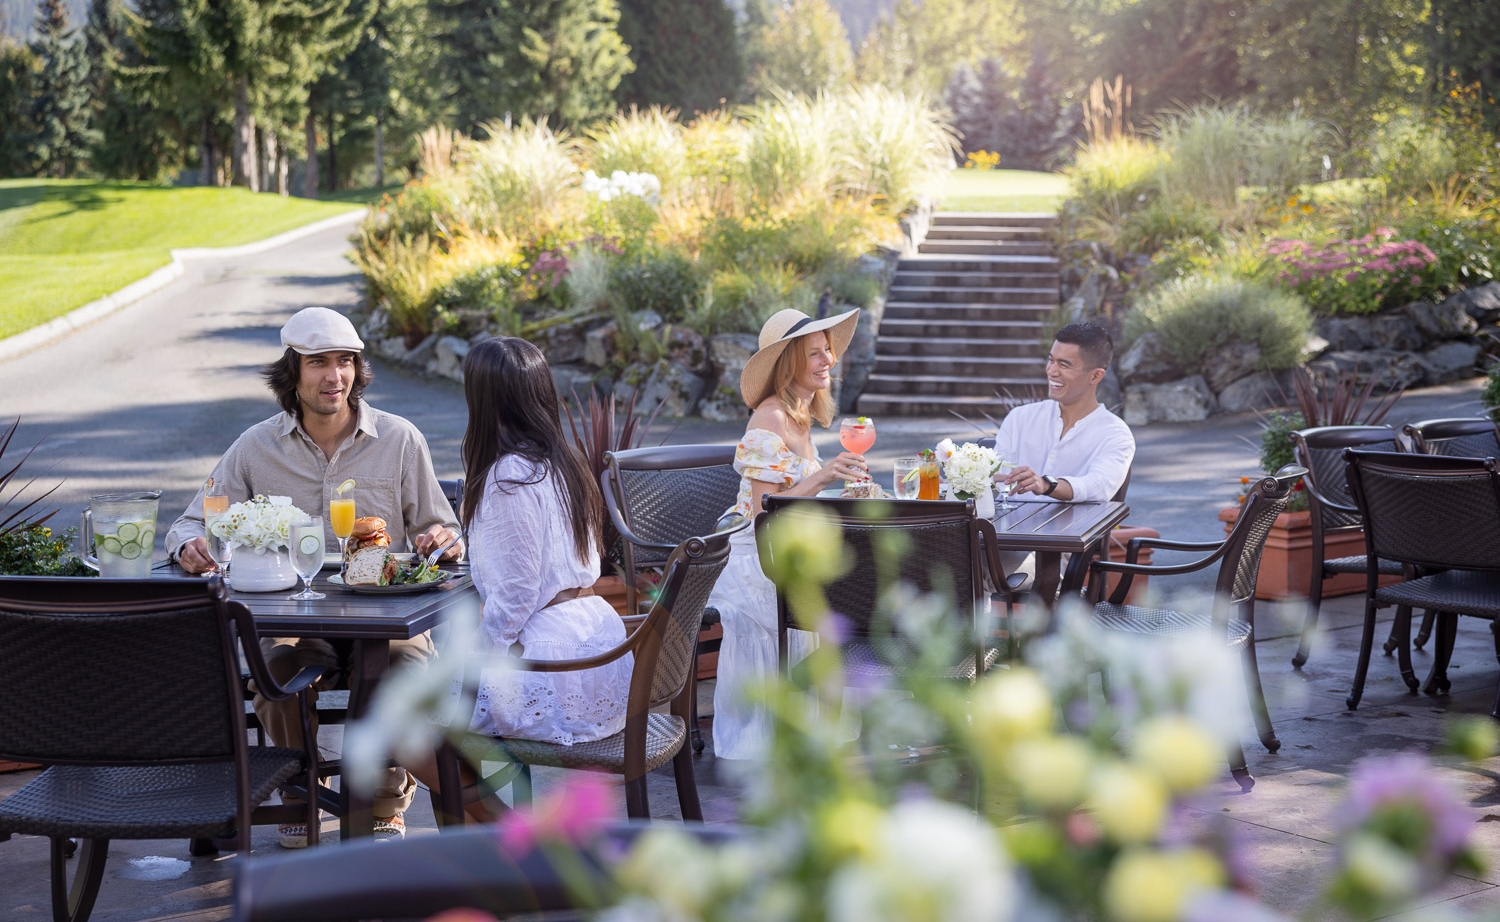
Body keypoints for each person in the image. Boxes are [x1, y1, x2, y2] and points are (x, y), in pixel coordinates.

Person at [164, 306, 462, 847]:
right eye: (318, 362)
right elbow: (191, 520)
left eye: (345, 361)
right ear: (292, 373)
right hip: (291, 614)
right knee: (276, 671)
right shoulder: (255, 447)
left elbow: (442, 527)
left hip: (384, 614)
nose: (335, 376)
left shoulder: (399, 439)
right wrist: (190, 544)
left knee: (405, 668)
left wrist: (445, 538)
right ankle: (298, 792)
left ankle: (383, 801)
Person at [407, 337, 633, 821]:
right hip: (595, 649)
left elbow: (516, 595)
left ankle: (512, 837)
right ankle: (495, 842)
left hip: (552, 666)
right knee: (444, 717)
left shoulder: (509, 477)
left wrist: (480, 656)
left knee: (403, 727)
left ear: (482, 400)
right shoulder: (562, 462)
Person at [707, 307, 869, 760]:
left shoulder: (800, 416)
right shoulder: (771, 418)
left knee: (851, 578)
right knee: (827, 590)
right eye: (815, 353)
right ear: (789, 362)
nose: (828, 361)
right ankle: (779, 734)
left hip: (789, 545)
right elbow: (765, 514)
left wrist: (840, 495)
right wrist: (824, 478)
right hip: (756, 553)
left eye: (828, 352)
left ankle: (814, 724)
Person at [993, 321, 1135, 588]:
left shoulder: (1116, 434)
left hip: (1061, 559)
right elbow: (995, 479)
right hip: (1002, 544)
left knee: (970, 568)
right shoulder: (1020, 419)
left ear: (1096, 376)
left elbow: (1099, 486)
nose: (1052, 371)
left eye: (1064, 365)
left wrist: (1047, 485)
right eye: (1051, 360)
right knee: (946, 558)